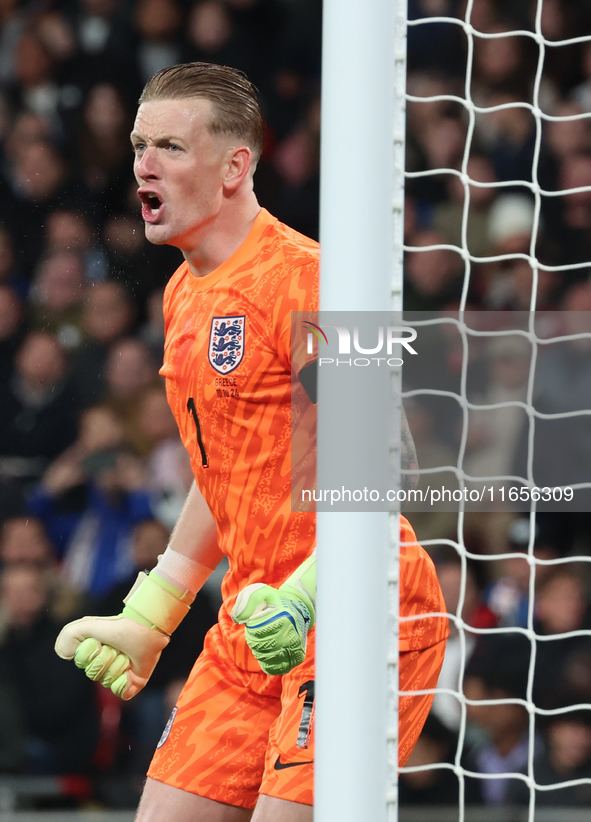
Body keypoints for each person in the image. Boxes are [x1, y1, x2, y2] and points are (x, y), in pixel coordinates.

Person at [55, 62, 448, 821]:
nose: (142, 163)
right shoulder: (181, 294)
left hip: (364, 607)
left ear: (236, 165)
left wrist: (306, 597)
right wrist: (153, 613)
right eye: (139, 144)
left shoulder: (319, 279)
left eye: (169, 144)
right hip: (250, 622)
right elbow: (222, 468)